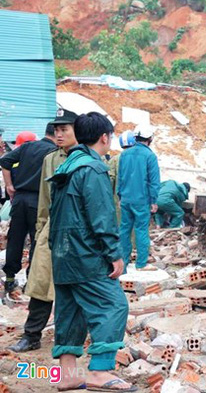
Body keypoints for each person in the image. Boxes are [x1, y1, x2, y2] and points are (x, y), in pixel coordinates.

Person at [48, 112, 134, 392]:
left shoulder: (67, 166)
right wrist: (115, 253)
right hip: (86, 255)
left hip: (62, 254)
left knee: (71, 310)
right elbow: (101, 216)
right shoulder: (93, 169)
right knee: (114, 305)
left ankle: (69, 374)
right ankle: (100, 371)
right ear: (104, 137)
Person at [8, 109, 79, 353]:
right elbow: (45, 199)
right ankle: (32, 335)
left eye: (64, 130)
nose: (59, 135)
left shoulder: (91, 159)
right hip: (52, 228)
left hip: (80, 232)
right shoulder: (51, 158)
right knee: (41, 282)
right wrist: (40, 230)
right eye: (56, 130)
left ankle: (72, 338)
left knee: (78, 286)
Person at [0, 124, 57, 294]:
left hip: (19, 199)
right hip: (38, 201)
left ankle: (10, 279)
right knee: (37, 240)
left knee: (15, 238)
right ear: (57, 133)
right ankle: (30, 280)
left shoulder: (28, 146)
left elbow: (4, 161)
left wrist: (9, 186)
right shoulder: (54, 152)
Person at [117, 124, 160, 271]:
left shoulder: (124, 154)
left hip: (126, 199)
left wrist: (120, 196)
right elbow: (154, 181)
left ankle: (123, 263)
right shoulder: (150, 156)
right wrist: (154, 201)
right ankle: (141, 264)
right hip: (142, 200)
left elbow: (120, 177)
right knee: (141, 230)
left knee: (124, 230)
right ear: (150, 139)